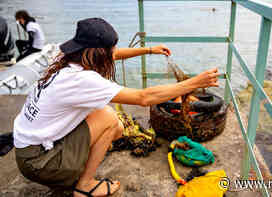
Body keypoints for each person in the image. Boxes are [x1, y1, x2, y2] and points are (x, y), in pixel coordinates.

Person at [13, 18, 220, 197]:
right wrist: (194, 82)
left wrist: (148, 50)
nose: (114, 53)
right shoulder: (81, 80)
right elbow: (144, 97)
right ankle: (84, 187)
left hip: (29, 150)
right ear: (96, 54)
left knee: (114, 124)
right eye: (110, 49)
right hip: (40, 163)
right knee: (110, 120)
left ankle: (76, 166)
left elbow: (112, 54)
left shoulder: (64, 56)